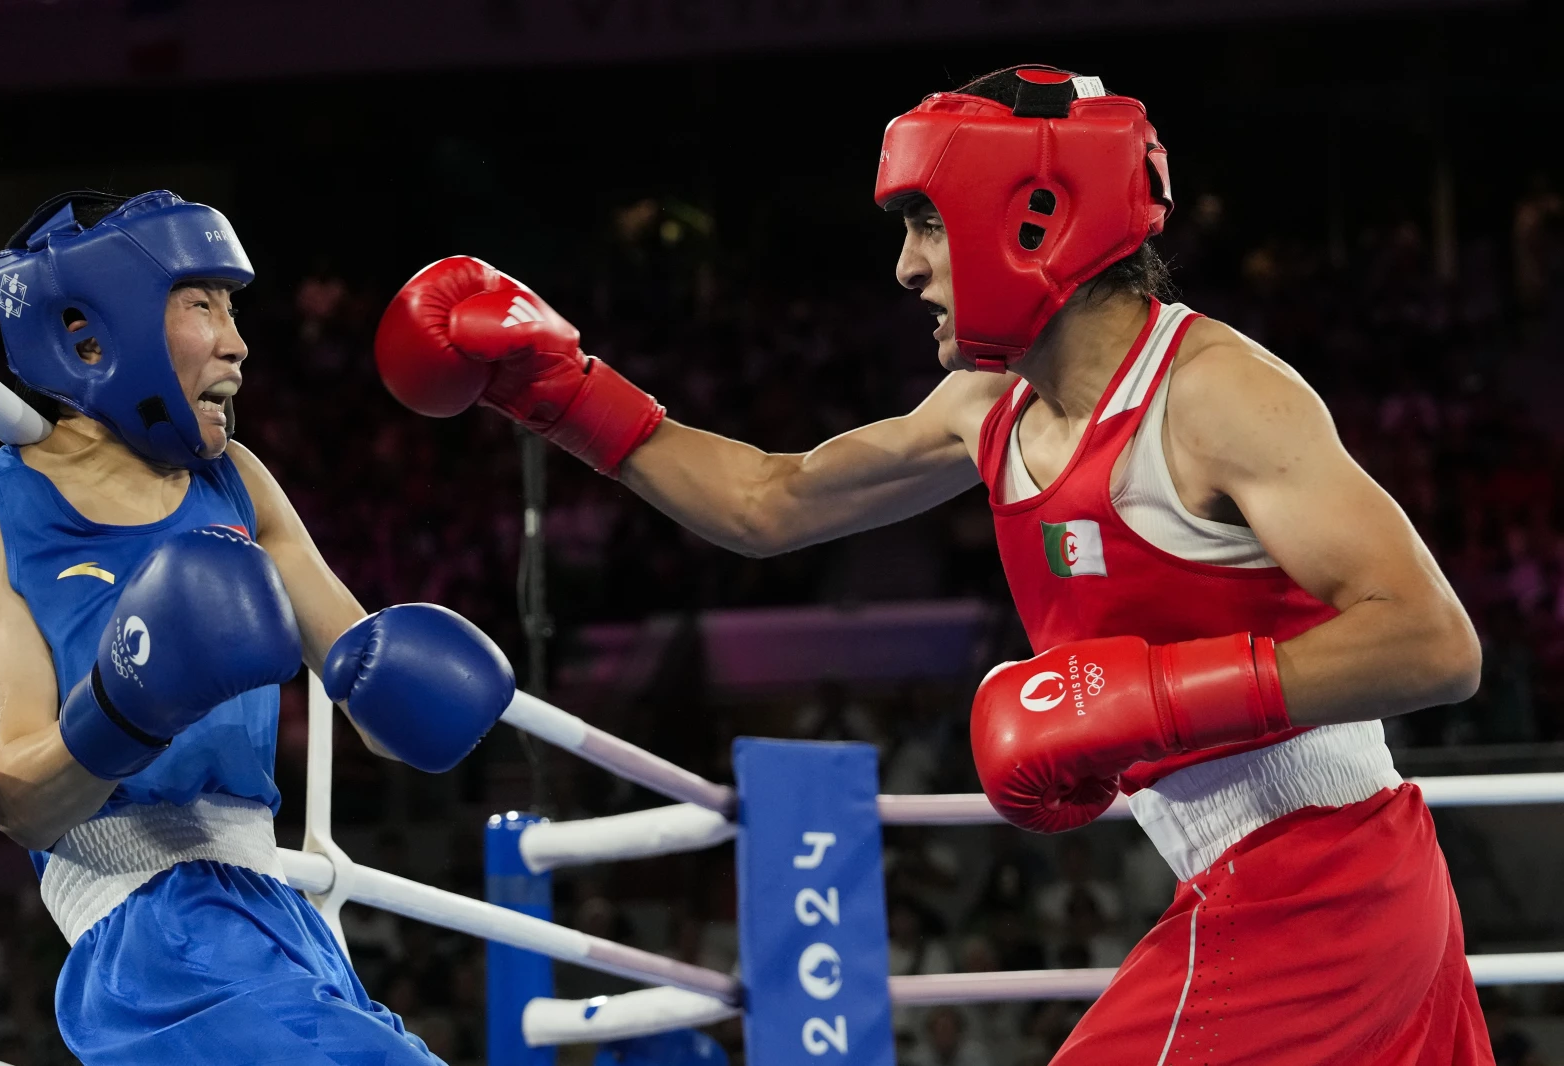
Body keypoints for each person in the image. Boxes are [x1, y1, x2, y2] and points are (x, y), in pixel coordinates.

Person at [374, 65, 1493, 1063]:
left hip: (1328, 880)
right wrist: (561, 393)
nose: (906, 268)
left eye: (924, 222)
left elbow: (1434, 641)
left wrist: (1149, 699)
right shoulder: (987, 407)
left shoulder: (1214, 394)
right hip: (1277, 881)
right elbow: (772, 501)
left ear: (1033, 216)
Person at [0, 190, 515, 1065]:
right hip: (146, 937)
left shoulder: (236, 482)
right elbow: (23, 801)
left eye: (232, 305)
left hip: (282, 923)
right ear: (91, 332)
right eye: (199, 303)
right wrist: (131, 701)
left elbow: (366, 685)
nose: (237, 341)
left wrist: (408, 685)